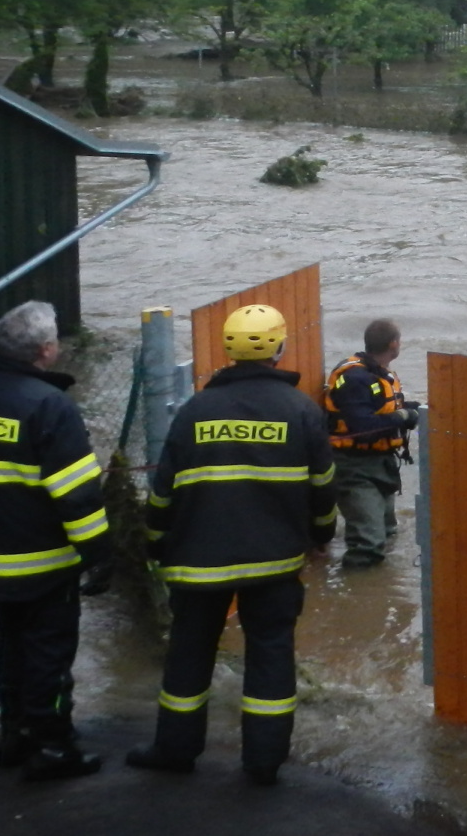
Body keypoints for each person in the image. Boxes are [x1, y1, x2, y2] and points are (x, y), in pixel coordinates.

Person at [126, 303, 336, 785]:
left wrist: (155, 545)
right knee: (270, 655)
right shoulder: (301, 410)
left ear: (228, 350)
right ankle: (263, 762)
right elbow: (324, 489)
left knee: (189, 654)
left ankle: (175, 750)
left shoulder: (194, 410)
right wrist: (321, 537)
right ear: (279, 348)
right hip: (274, 564)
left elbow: (163, 493)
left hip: (196, 563)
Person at [0, 301, 111, 780]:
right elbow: (76, 496)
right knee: (49, 658)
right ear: (46, 350)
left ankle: (13, 735)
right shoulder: (50, 406)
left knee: (11, 648)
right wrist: (100, 555)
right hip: (42, 562)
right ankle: (53, 747)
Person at [321, 319, 419, 569]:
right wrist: (401, 417)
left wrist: (412, 410)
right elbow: (363, 429)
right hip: (354, 467)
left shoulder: (379, 373)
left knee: (388, 531)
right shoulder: (354, 378)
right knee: (369, 543)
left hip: (381, 463)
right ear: (394, 344)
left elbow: (380, 409)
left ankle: (379, 584)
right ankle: (354, 586)